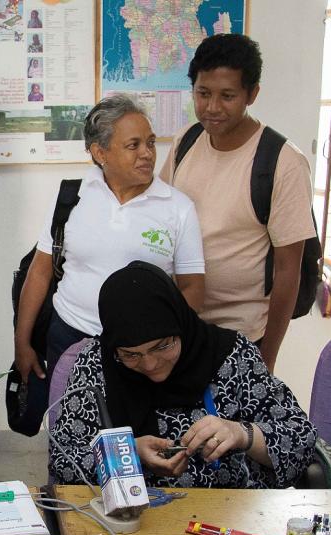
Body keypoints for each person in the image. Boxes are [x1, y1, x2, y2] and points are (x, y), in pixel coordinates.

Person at [50, 263, 316, 489]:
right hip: (128, 526)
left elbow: (302, 442)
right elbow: (64, 462)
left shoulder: (233, 357)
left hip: (230, 521)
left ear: (179, 325)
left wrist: (242, 433)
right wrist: (128, 453)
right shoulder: (96, 365)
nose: (151, 364)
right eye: (132, 355)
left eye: (162, 346)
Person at [14, 95, 205, 395]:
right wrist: (22, 342)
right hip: (69, 336)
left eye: (151, 142)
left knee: (135, 436)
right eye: (134, 145)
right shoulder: (71, 196)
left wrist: (163, 347)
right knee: (69, 429)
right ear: (100, 152)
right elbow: (39, 272)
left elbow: (192, 287)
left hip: (142, 354)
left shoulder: (178, 208)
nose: (147, 154)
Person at [160, 33, 314, 372]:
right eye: (203, 93)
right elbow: (158, 216)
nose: (212, 107)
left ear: (252, 94)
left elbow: (289, 271)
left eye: (227, 96)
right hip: (181, 329)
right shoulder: (186, 140)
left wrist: (267, 358)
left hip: (242, 338)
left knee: (229, 426)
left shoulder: (281, 161)